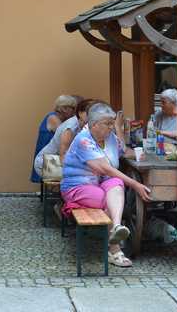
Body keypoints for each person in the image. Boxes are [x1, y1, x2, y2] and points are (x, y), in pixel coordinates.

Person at [61, 103, 151, 268]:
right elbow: (105, 168)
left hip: (99, 182)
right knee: (107, 198)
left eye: (112, 123)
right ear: (94, 125)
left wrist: (141, 154)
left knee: (116, 183)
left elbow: (123, 151)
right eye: (108, 124)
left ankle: (116, 226)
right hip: (77, 186)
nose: (111, 127)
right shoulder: (83, 140)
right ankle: (114, 249)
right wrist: (135, 184)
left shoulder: (109, 138)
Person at [33, 99, 96, 176]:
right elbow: (64, 156)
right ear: (80, 113)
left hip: (62, 160)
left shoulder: (90, 124)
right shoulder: (70, 128)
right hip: (47, 162)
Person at [29, 95, 77, 183]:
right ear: (64, 108)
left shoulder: (61, 119)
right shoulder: (53, 118)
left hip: (52, 157)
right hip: (48, 159)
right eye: (73, 108)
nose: (75, 112)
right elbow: (65, 137)